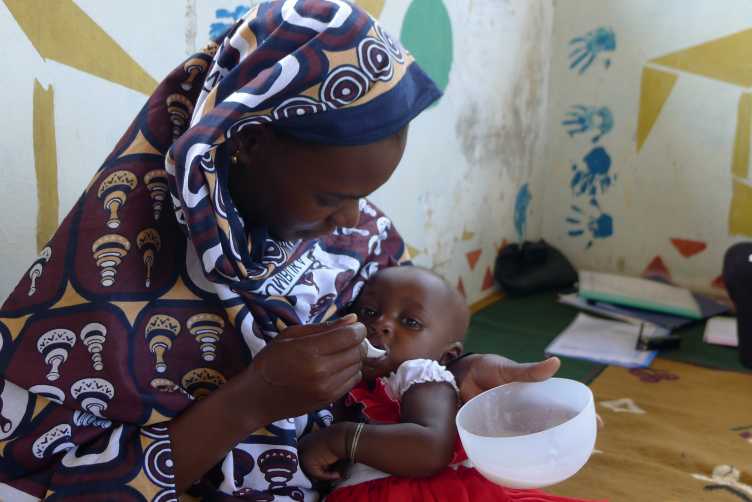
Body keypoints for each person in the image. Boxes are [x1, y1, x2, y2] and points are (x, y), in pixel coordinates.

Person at [0, 1, 561, 500]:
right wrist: (254, 399)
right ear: (247, 143)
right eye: (332, 197)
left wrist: (453, 371)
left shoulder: (354, 236)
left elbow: (389, 353)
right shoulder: (111, 280)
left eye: (364, 197)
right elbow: (48, 475)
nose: (353, 218)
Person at [299, 266, 596, 502]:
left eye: (411, 322)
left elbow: (430, 448)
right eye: (370, 312)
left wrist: (339, 440)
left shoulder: (421, 374)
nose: (382, 324)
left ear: (447, 356)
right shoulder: (355, 378)